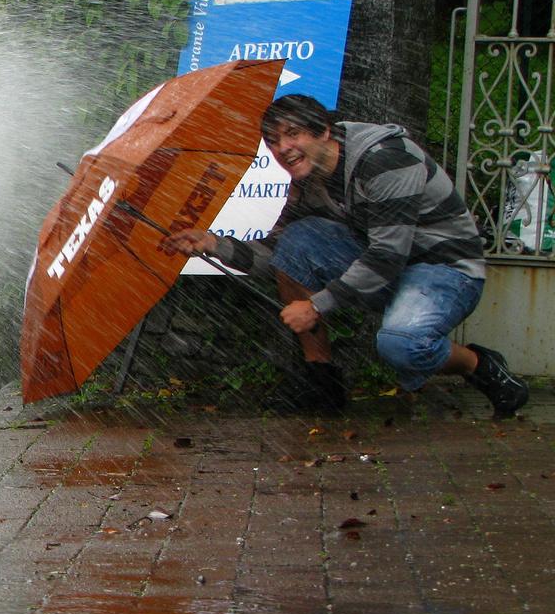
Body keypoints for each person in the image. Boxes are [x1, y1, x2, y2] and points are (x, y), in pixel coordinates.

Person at [163, 94, 528, 417]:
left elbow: (387, 256)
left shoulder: (384, 161)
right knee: (298, 238)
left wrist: (317, 305)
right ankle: (321, 380)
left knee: (402, 345)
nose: (282, 148)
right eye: (272, 140)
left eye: (293, 134)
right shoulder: (308, 179)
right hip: (387, 267)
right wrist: (213, 244)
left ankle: (479, 365)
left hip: (445, 269)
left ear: (324, 131)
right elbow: (278, 253)